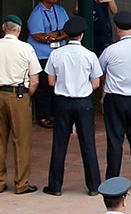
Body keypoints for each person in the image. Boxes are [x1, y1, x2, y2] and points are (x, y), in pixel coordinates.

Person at [0, 14, 38, 195]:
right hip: (19, 95)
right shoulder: (26, 48)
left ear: (4, 28)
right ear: (18, 30)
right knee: (22, 141)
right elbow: (34, 80)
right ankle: (21, 184)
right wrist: (26, 94)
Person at [44, 16, 102, 196]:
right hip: (83, 102)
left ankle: (55, 186)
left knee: (59, 144)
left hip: (62, 101)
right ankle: (93, 186)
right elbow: (96, 83)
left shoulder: (56, 54)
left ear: (66, 35)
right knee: (88, 144)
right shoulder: (89, 55)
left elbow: (51, 81)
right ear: (82, 35)